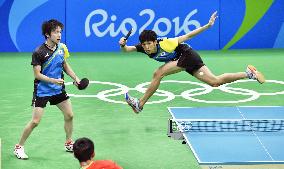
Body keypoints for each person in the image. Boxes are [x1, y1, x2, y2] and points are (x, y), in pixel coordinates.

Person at [118, 11, 265, 113]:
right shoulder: (143, 48)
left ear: (155, 42)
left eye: (149, 44)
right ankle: (248, 74)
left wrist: (208, 26)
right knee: (215, 82)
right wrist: (123, 45)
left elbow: (187, 36)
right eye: (144, 45)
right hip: (185, 60)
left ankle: (140, 104)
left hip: (187, 54)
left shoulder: (166, 43)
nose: (147, 47)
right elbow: (127, 50)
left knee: (158, 73)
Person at [14, 19, 81, 159]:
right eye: (56, 32)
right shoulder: (38, 52)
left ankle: (68, 142)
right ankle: (19, 147)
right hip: (43, 90)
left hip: (57, 89)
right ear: (47, 34)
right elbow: (37, 74)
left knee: (69, 115)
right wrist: (53, 80)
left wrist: (75, 78)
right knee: (35, 121)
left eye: (60, 32)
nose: (59, 35)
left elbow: (65, 65)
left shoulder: (62, 47)